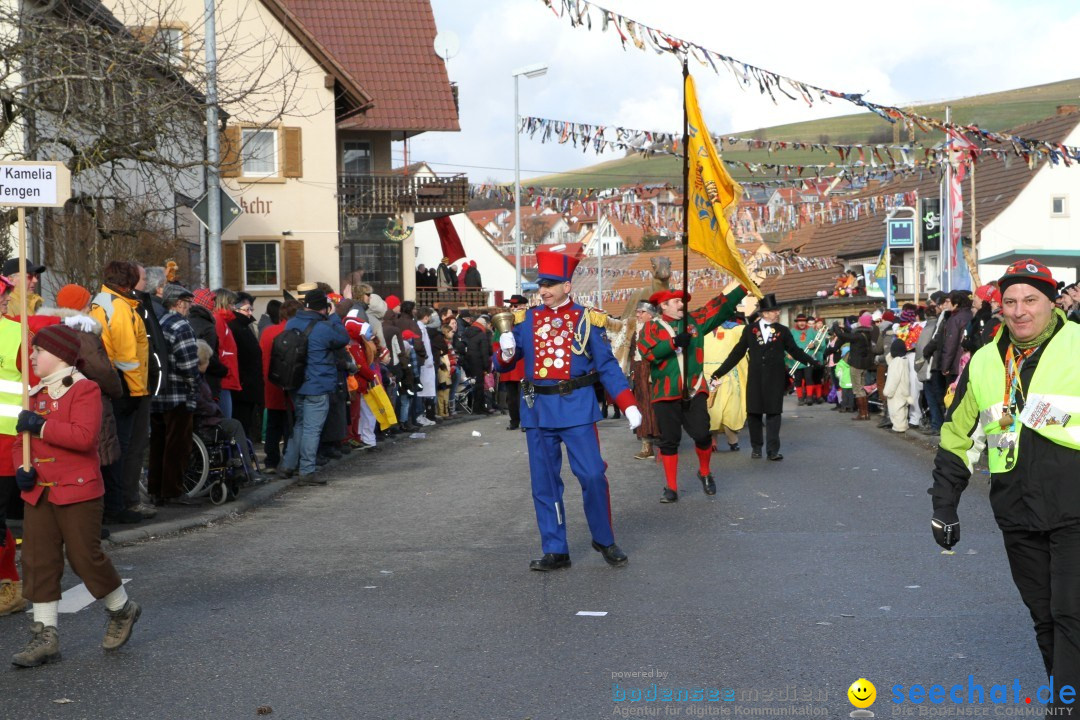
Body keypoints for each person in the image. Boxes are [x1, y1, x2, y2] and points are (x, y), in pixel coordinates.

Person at [930, 259, 1080, 710]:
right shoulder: (986, 361)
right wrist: (944, 505)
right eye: (1010, 302)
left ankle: (1064, 708)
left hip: (1075, 506)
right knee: (1043, 618)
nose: (1019, 311)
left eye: (1030, 300)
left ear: (1052, 303)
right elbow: (958, 436)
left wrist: (1048, 415)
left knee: (1070, 614)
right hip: (1016, 510)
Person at [497, 249, 642, 571]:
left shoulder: (587, 319)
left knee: (592, 475)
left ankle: (604, 539)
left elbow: (606, 367)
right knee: (544, 483)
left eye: (550, 284)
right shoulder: (526, 319)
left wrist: (628, 403)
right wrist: (506, 350)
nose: (543, 291)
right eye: (540, 285)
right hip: (537, 409)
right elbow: (502, 361)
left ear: (567, 286)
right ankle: (555, 549)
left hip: (576, 407)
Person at [11, 324, 141, 667]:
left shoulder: (84, 389)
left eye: (39, 351)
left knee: (85, 558)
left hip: (78, 489)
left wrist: (38, 426)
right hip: (39, 491)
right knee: (37, 561)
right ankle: (45, 635)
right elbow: (18, 443)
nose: (33, 356)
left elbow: (84, 437)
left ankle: (121, 610)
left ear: (59, 355)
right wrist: (21, 469)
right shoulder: (33, 393)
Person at [639, 285, 746, 501]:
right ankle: (671, 487)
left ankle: (705, 472)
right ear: (664, 306)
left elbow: (718, 307)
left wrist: (744, 287)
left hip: (694, 389)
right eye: (677, 301)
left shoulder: (694, 321)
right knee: (669, 441)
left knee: (702, 434)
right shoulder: (651, 327)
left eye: (682, 301)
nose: (682, 305)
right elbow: (647, 352)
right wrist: (673, 343)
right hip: (666, 392)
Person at [712, 293, 821, 461]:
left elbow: (795, 351)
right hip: (755, 377)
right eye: (773, 311)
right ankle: (756, 447)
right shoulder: (750, 330)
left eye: (777, 310)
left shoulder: (782, 331)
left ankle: (773, 450)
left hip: (775, 378)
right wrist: (720, 371)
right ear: (764, 313)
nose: (777, 313)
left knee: (774, 413)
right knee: (754, 413)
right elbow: (738, 353)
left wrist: (813, 362)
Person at [89, 261, 148, 525]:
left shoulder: (104, 301)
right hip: (123, 386)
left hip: (111, 382)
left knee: (112, 448)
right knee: (120, 448)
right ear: (129, 282)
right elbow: (128, 356)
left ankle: (114, 503)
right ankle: (117, 505)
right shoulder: (121, 308)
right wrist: (136, 392)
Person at [278, 290, 349, 484]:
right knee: (312, 428)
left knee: (300, 424)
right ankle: (307, 470)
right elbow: (343, 338)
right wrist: (334, 316)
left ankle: (287, 465)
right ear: (323, 307)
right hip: (317, 383)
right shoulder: (324, 326)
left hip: (295, 382)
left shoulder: (291, 323)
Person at [148, 285, 200, 505]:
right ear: (179, 303)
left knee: (158, 445)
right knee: (177, 446)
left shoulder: (159, 323)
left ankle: (156, 490)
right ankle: (173, 491)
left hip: (158, 394)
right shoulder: (181, 325)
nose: (189, 307)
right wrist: (194, 385)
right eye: (188, 303)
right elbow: (188, 363)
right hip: (178, 395)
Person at [192, 341, 266, 484]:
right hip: (205, 423)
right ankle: (246, 470)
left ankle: (243, 468)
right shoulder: (197, 380)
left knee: (234, 428)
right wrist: (215, 409)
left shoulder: (199, 378)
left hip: (205, 420)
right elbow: (201, 403)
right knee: (234, 426)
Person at [704, 314, 748, 452]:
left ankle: (732, 439)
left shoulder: (734, 329)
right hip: (706, 375)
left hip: (727, 374)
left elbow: (752, 333)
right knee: (710, 409)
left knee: (730, 408)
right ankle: (712, 440)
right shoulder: (701, 332)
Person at [227, 292, 262, 438]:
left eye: (251, 310)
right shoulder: (236, 327)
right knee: (242, 420)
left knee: (246, 420)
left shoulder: (243, 326)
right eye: (246, 309)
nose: (249, 313)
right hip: (243, 384)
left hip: (247, 383)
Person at [628, 301, 661, 460]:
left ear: (650, 314)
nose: (637, 315)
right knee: (642, 407)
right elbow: (633, 352)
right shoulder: (636, 330)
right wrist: (633, 370)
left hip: (653, 369)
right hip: (640, 371)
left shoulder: (658, 328)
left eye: (641, 312)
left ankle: (664, 445)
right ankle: (647, 446)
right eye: (637, 312)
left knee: (656, 407)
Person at [834, 313, 875, 420]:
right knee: (861, 388)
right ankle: (865, 413)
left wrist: (835, 327)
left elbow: (843, 336)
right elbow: (852, 334)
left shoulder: (858, 336)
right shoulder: (866, 334)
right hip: (864, 365)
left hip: (856, 365)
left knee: (857, 389)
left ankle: (862, 414)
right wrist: (846, 328)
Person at [463, 315, 493, 415]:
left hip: (469, 361)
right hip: (478, 362)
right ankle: (478, 407)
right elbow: (485, 352)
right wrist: (486, 366)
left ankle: (473, 406)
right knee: (479, 386)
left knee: (473, 385)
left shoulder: (467, 331)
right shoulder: (482, 334)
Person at [882, 338, 912, 432]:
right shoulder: (904, 359)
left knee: (896, 408)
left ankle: (899, 427)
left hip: (897, 390)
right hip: (905, 388)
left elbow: (893, 379)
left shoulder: (896, 362)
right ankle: (904, 425)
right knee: (903, 408)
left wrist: (887, 391)